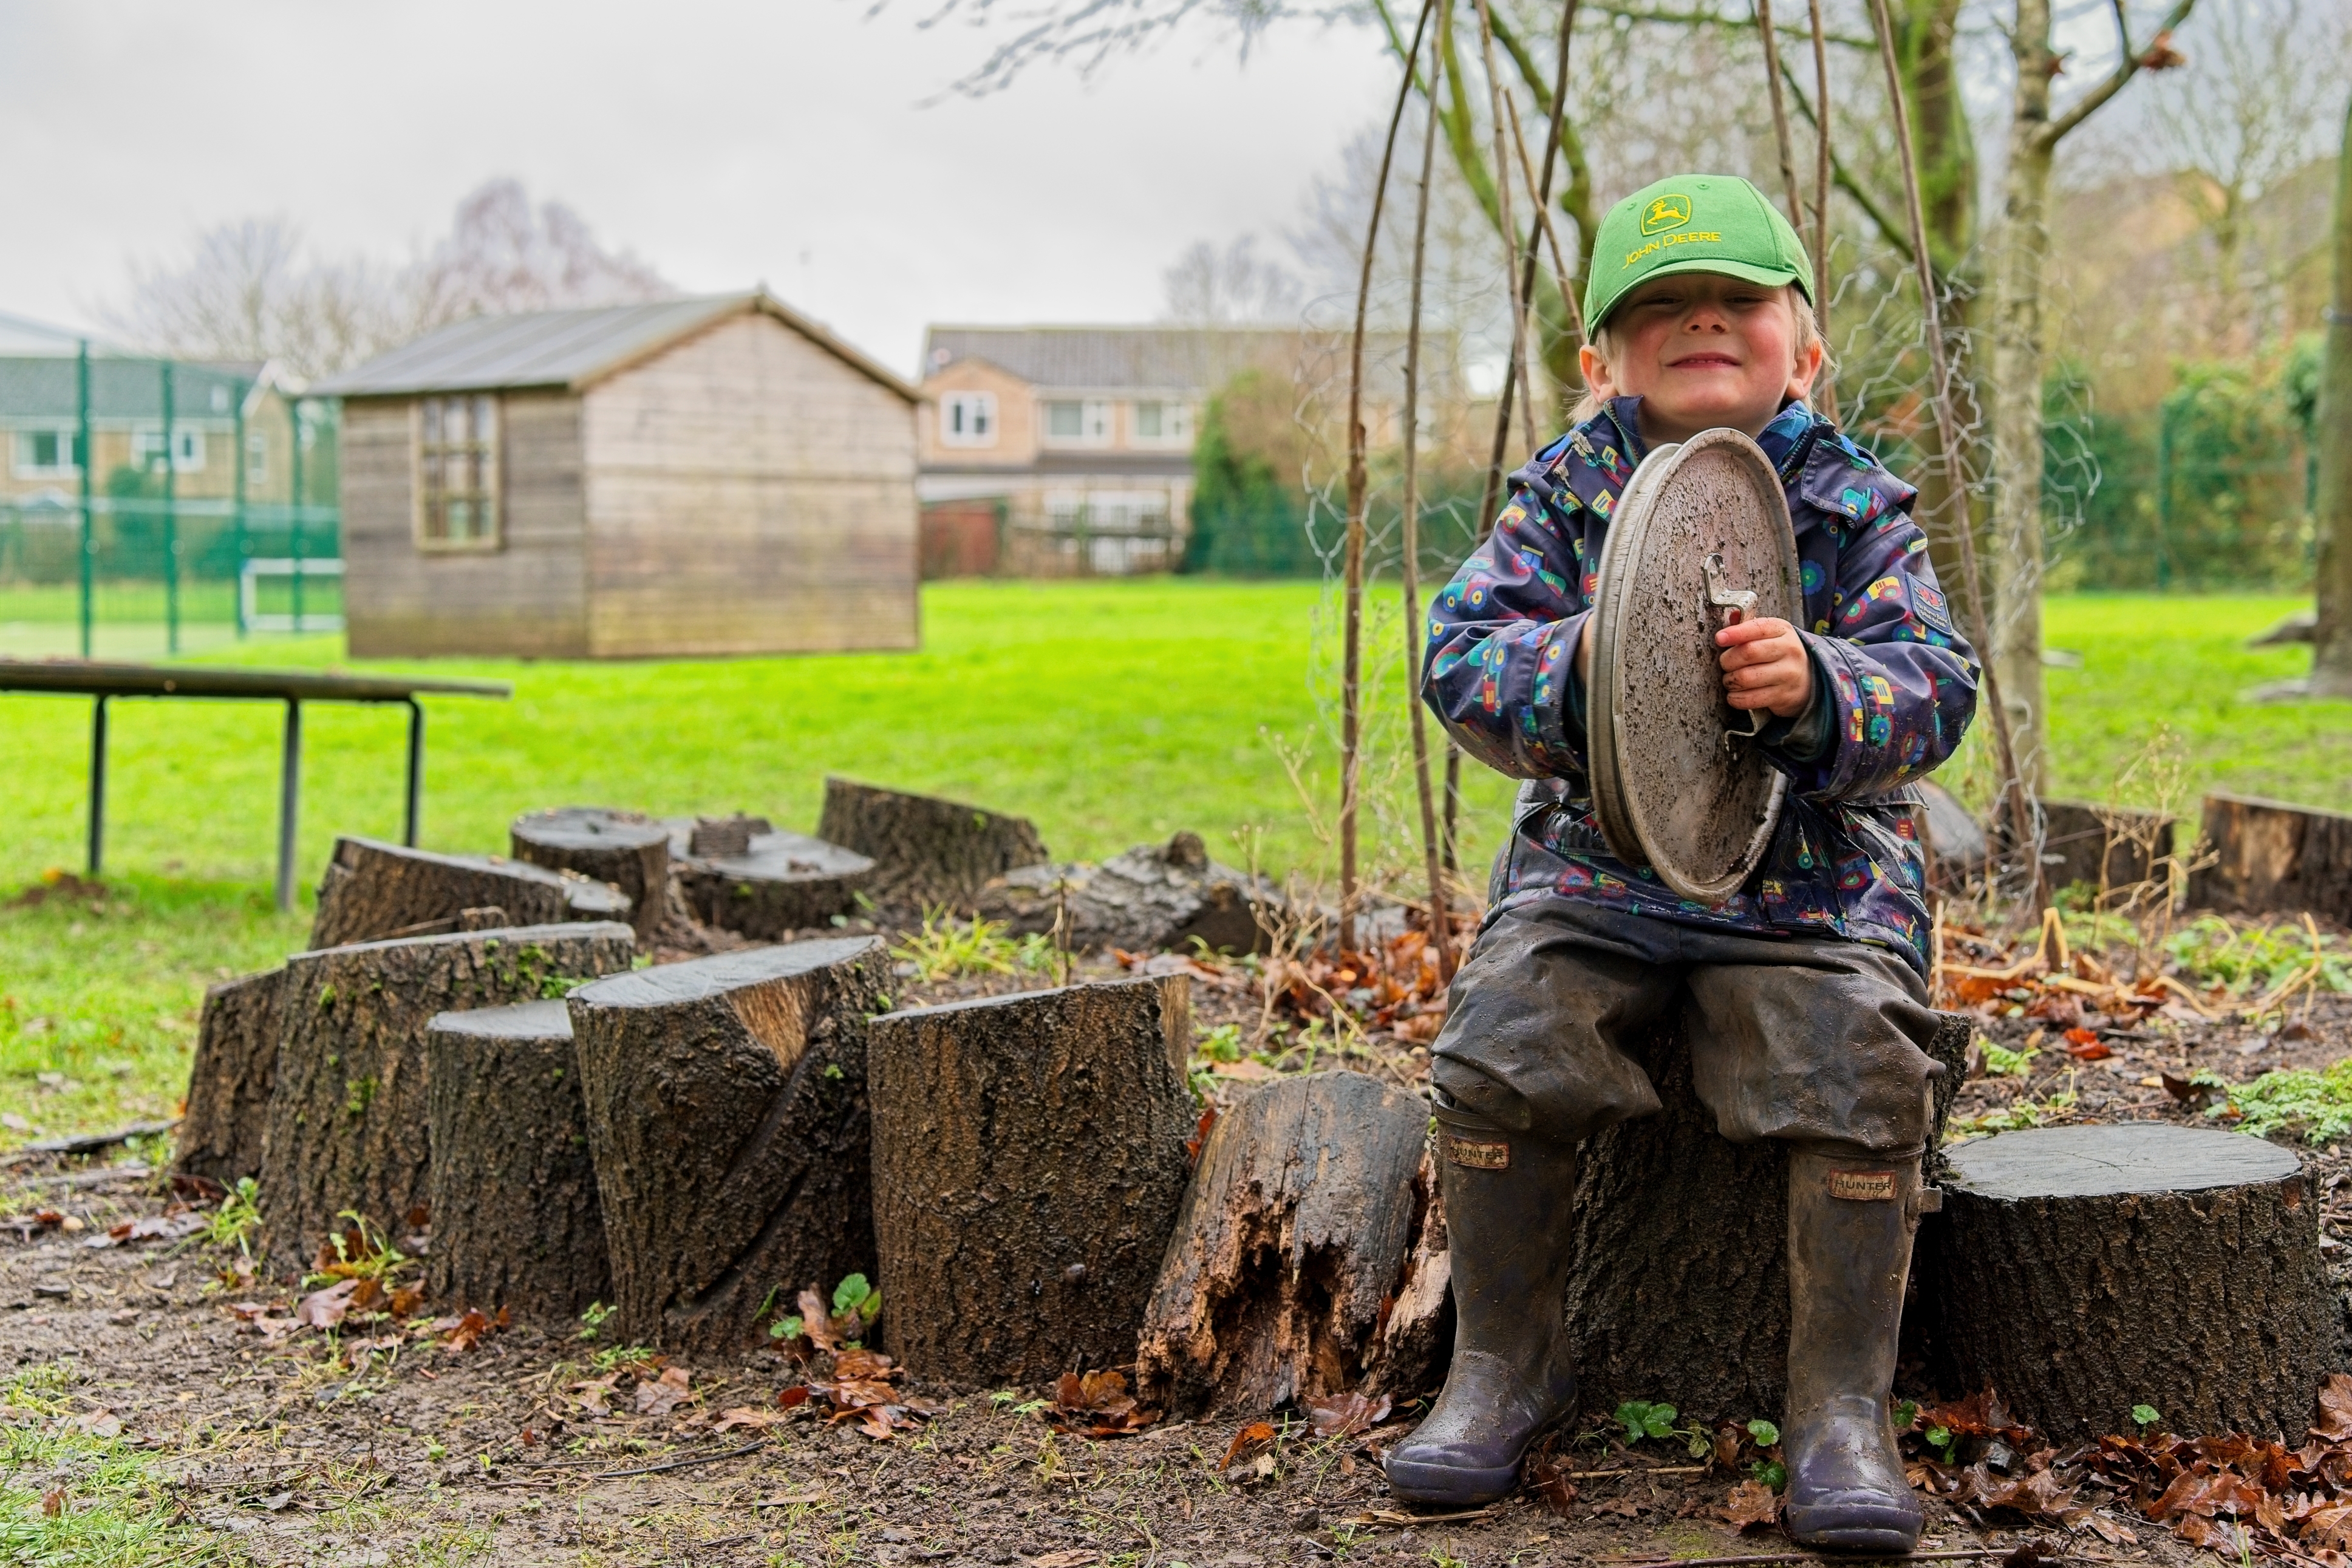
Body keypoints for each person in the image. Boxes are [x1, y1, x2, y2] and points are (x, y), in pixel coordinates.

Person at [1385, 174, 1978, 1554]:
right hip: (1592, 878)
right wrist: (1575, 657)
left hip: (1820, 891)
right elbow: (1455, 655)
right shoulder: (1565, 495)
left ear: (1804, 346)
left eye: (1737, 301)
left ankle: (1836, 1409)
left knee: (1852, 1060)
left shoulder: (1851, 504)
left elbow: (1937, 687)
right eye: (1659, 308)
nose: (1701, 322)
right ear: (1596, 358)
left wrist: (1823, 683)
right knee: (1500, 1034)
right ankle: (1501, 1366)